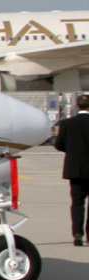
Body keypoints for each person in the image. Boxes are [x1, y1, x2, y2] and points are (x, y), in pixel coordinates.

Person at [53, 94, 89, 246]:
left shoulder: (67, 123)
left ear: (77, 106)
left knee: (77, 203)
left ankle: (77, 233)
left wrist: (72, 151)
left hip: (75, 169)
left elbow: (58, 144)